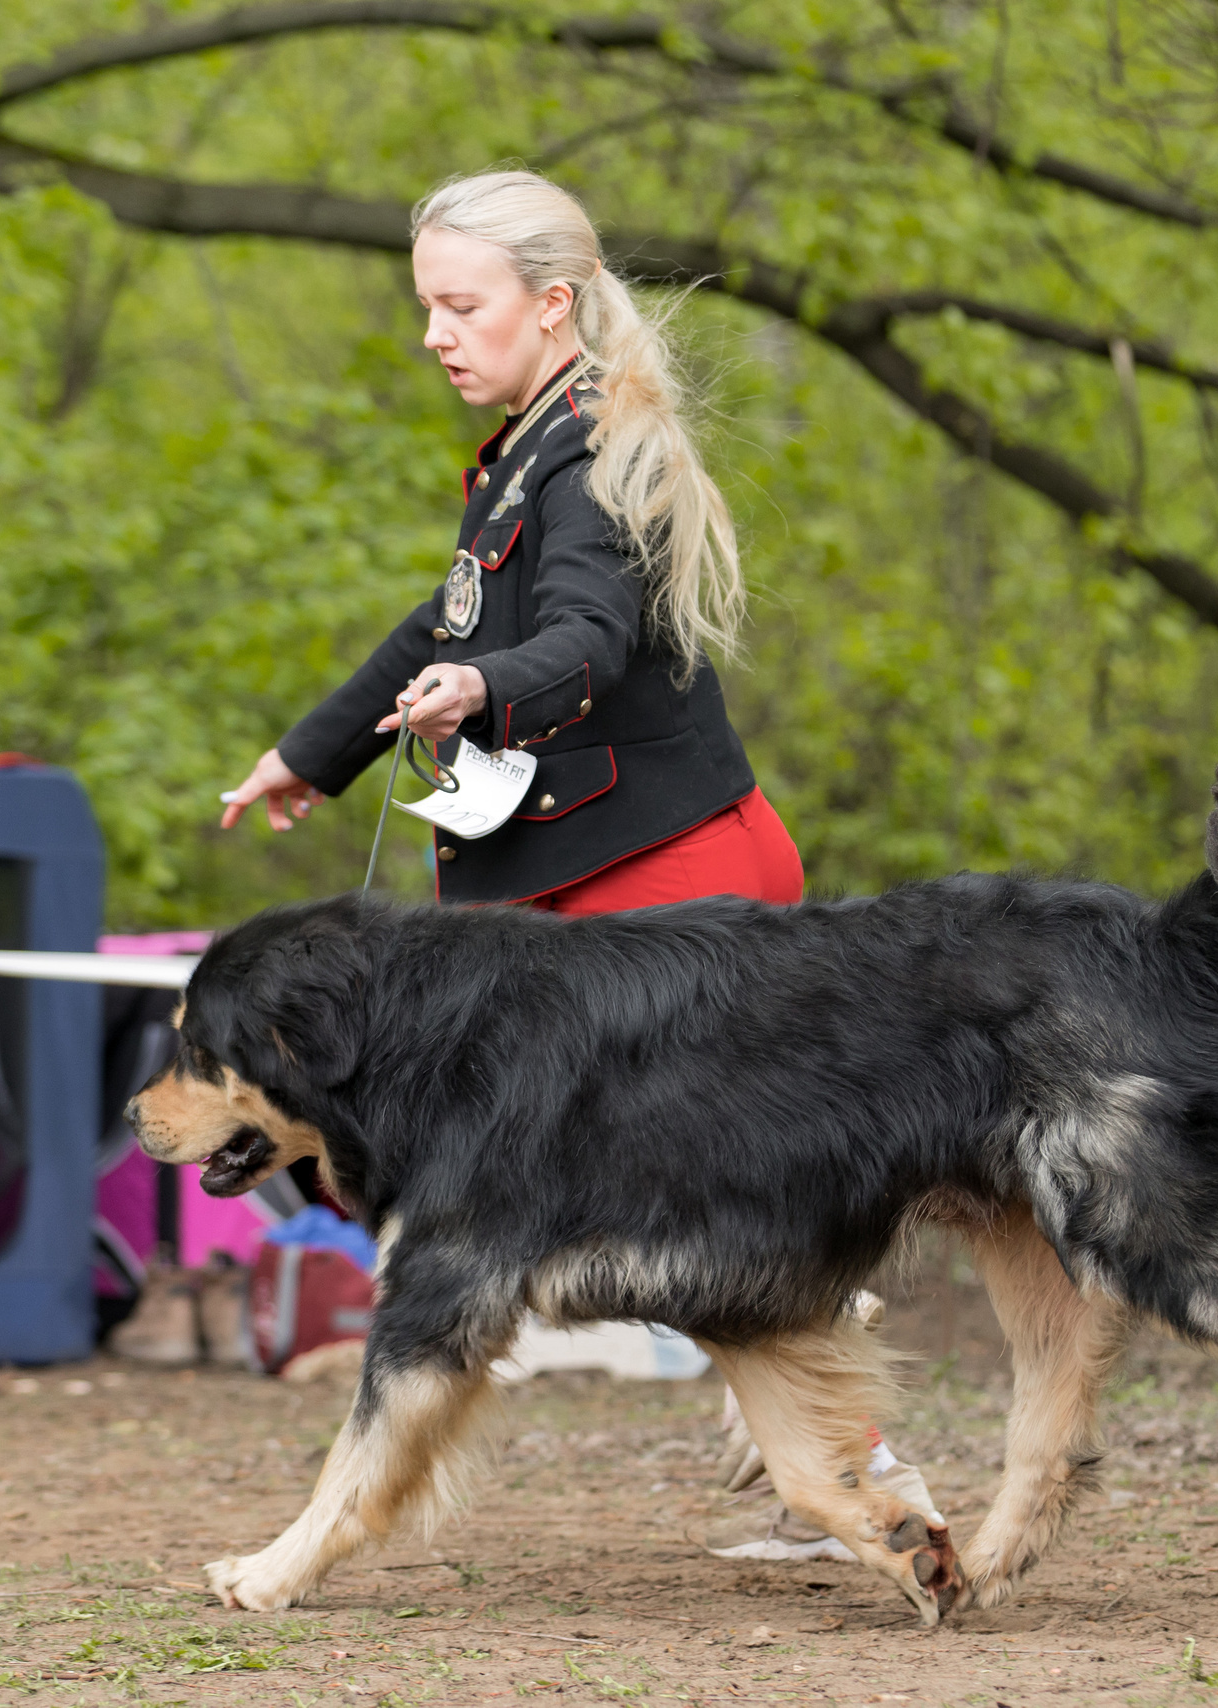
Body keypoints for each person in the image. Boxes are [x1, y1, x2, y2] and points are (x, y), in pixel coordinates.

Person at [219, 167, 935, 1562]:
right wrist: (318, 755)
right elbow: (449, 617)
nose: (436, 330)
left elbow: (587, 640)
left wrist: (486, 689)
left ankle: (862, 1473)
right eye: (426, 304)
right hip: (591, 892)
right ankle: (852, 1477)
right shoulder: (522, 449)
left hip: (675, 888)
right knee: (682, 1228)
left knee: (689, 1223)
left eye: (461, 304)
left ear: (553, 306)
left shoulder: (596, 452)